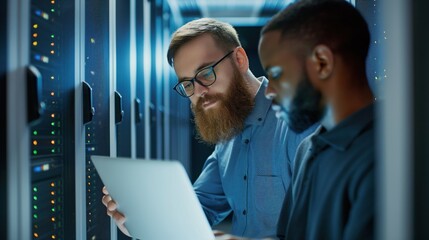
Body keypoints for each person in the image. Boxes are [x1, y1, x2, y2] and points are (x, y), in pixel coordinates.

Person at [102, 18, 318, 238]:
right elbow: (200, 208)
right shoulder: (227, 133)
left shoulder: (298, 124)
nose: (199, 92)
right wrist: (141, 219)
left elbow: (327, 227)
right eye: (187, 84)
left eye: (205, 74)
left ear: (239, 59)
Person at [216, 0, 376, 239]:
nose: (269, 92)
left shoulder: (383, 157)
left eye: (277, 74)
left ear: (322, 62)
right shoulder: (308, 149)